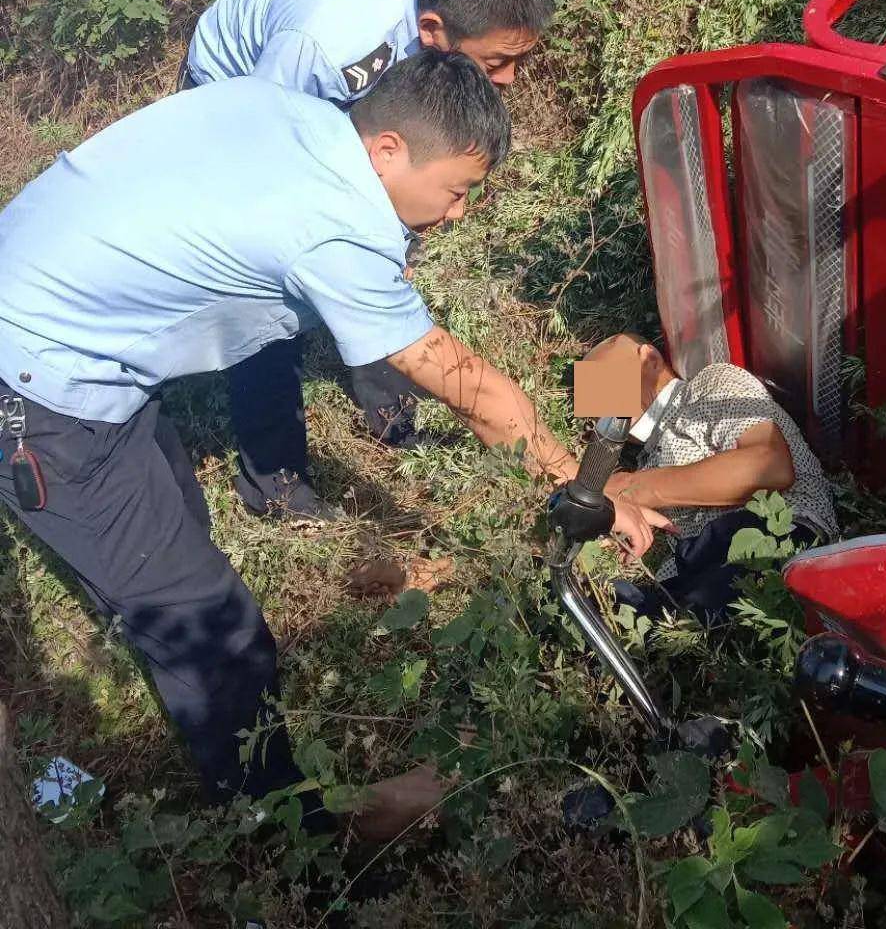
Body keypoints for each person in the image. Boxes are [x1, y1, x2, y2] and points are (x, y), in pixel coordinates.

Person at [0, 53, 670, 824]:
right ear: (389, 150)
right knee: (215, 626)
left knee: (175, 530)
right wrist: (585, 490)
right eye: (456, 192)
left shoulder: (301, 114)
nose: (458, 215)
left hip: (64, 322)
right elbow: (470, 390)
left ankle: (165, 652)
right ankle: (292, 835)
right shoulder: (335, 229)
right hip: (37, 385)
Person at [180, 0, 554, 519]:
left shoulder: (456, 3)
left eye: (518, 61)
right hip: (245, 94)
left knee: (382, 236)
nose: (507, 80)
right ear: (432, 31)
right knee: (268, 287)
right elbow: (261, 148)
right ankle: (274, 482)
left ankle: (386, 397)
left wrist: (394, 244)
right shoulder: (326, 45)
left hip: (333, 91)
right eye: (496, 63)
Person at [577, 334, 838, 626]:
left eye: (603, 379)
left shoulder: (711, 383)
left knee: (686, 612)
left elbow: (770, 465)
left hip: (778, 533)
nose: (597, 402)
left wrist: (639, 488)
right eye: (591, 395)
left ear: (650, 359)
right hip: (701, 565)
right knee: (617, 612)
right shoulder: (646, 459)